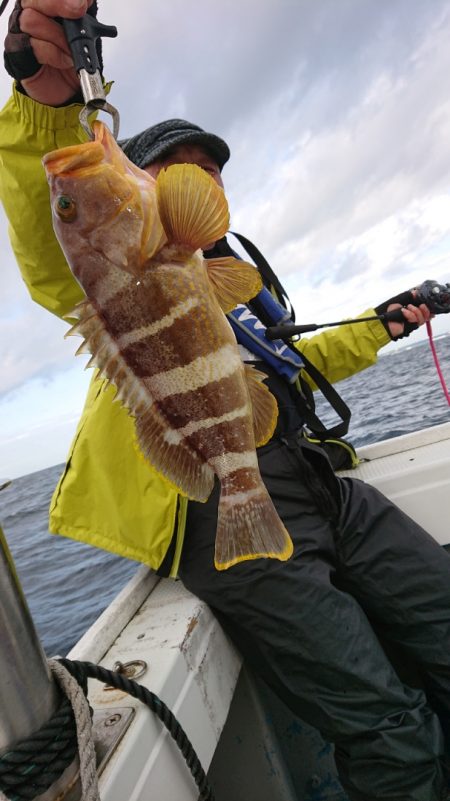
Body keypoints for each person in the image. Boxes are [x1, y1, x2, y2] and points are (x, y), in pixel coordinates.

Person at [1, 3, 449, 800]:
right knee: (390, 726)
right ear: (145, 183)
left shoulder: (234, 295)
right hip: (215, 506)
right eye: (181, 167)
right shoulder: (118, 276)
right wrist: (45, 102)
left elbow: (298, 367)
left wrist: (383, 324)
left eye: (211, 169)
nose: (203, 180)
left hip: (317, 484)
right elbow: (51, 240)